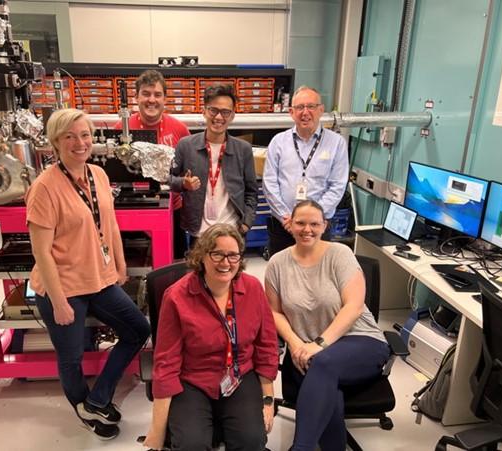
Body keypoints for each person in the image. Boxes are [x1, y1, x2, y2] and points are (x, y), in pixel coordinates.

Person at [26, 108, 151, 440]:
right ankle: (82, 405)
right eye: (70, 136)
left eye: (85, 135)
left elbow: (109, 223)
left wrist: (120, 265)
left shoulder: (98, 173)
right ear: (55, 142)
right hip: (62, 286)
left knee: (138, 329)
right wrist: (58, 302)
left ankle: (96, 399)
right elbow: (41, 251)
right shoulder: (44, 188)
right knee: (72, 356)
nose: (80, 143)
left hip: (98, 279)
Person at [264, 199, 390, 451]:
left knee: (321, 363)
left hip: (359, 340)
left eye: (314, 223)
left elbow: (354, 306)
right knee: (327, 385)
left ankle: (302, 447)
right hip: (305, 349)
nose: (307, 229)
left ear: (325, 226)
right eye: (300, 223)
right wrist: (297, 343)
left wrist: (318, 345)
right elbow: (274, 312)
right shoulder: (277, 263)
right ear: (289, 224)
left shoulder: (340, 254)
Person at [144, 223, 279, 451]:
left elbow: (266, 346)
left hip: (239, 375)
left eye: (233, 255)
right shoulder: (177, 296)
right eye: (217, 254)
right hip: (193, 380)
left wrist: (267, 400)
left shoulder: (253, 289)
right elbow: (166, 363)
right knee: (191, 445)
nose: (226, 263)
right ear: (202, 256)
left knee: (251, 441)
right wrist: (156, 433)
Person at [262, 86, 349, 257]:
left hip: (319, 228)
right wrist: (286, 218)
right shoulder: (278, 142)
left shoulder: (337, 143)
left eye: (311, 106)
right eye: (300, 107)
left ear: (321, 110)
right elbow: (269, 183)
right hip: (283, 226)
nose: (305, 112)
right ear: (291, 112)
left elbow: (337, 186)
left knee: (317, 277)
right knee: (280, 276)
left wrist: (311, 221)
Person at [114, 69, 190, 259]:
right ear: (136, 97)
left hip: (173, 211)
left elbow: (190, 171)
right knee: (134, 262)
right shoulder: (122, 129)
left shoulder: (179, 130)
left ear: (165, 99)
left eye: (157, 94)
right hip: (131, 212)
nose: (151, 100)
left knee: (174, 263)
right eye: (146, 94)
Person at [169, 84, 258, 246]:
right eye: (213, 110)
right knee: (198, 271)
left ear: (232, 116)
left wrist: (246, 224)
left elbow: (251, 192)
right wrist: (183, 183)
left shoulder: (243, 149)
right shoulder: (186, 145)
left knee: (230, 271)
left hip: (232, 231)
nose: (218, 117)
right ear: (204, 111)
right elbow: (167, 179)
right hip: (199, 232)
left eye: (225, 112)